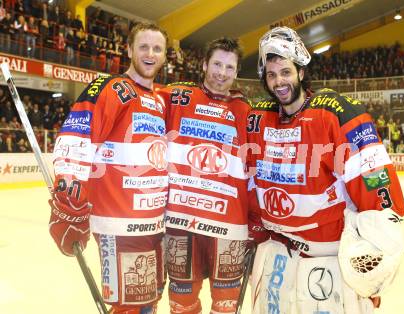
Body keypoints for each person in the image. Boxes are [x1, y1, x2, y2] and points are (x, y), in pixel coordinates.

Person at [247, 27, 404, 314]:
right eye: (271, 75)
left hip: (327, 261)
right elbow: (248, 182)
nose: (278, 82)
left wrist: (374, 260)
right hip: (277, 259)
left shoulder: (335, 113)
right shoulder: (258, 119)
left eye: (285, 72)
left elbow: (374, 181)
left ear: (301, 73)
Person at [48, 22, 168, 314]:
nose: (150, 53)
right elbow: (76, 141)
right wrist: (69, 200)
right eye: (143, 46)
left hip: (155, 226)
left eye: (157, 48)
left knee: (147, 306)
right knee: (131, 309)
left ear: (165, 55)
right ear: (128, 50)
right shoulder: (111, 88)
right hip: (119, 227)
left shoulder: (159, 99)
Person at [157, 37, 251, 314]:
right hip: (181, 222)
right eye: (217, 64)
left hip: (228, 225)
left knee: (225, 305)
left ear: (236, 72)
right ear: (204, 64)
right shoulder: (176, 96)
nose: (222, 72)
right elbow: (139, 109)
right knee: (183, 305)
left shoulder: (245, 110)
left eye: (229, 67)